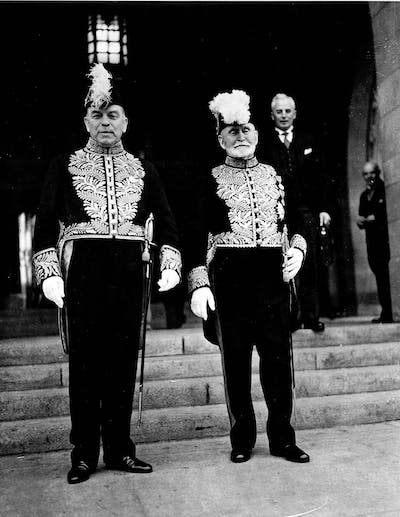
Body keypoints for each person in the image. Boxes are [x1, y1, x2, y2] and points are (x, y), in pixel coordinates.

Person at [32, 64, 181, 484]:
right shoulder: (64, 166)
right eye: (97, 116)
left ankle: (119, 450)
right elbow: (44, 227)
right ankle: (83, 454)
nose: (105, 123)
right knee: (85, 366)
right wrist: (49, 273)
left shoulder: (144, 169)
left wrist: (169, 264)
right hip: (84, 273)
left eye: (112, 115)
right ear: (85, 121)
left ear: (126, 122)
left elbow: (167, 225)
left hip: (129, 273)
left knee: (120, 364)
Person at [185, 90, 310, 464]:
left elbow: (298, 220)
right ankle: (241, 438)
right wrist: (199, 282)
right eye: (232, 131)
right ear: (220, 137)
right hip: (230, 280)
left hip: (272, 278)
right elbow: (195, 234)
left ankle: (283, 439)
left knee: (277, 362)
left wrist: (299, 251)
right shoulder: (209, 179)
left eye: (246, 129)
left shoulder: (276, 174)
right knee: (236, 365)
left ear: (257, 133)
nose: (240, 136)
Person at [259, 93, 332, 332]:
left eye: (287, 111)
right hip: (278, 211)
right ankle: (289, 318)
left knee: (308, 263)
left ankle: (311, 317)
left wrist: (323, 208)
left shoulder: (308, 140)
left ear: (295, 113)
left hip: (307, 210)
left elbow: (322, 178)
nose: (283, 116)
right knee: (282, 262)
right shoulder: (264, 143)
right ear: (272, 115)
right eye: (279, 112)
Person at [357, 161, 393, 323]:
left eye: (371, 173)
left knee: (386, 276)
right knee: (379, 276)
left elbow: (386, 214)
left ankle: (390, 312)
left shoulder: (385, 190)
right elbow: (361, 218)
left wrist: (372, 219)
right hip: (371, 243)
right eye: (365, 174)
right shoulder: (364, 196)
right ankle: (386, 312)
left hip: (385, 241)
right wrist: (364, 220)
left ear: (377, 173)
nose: (369, 177)